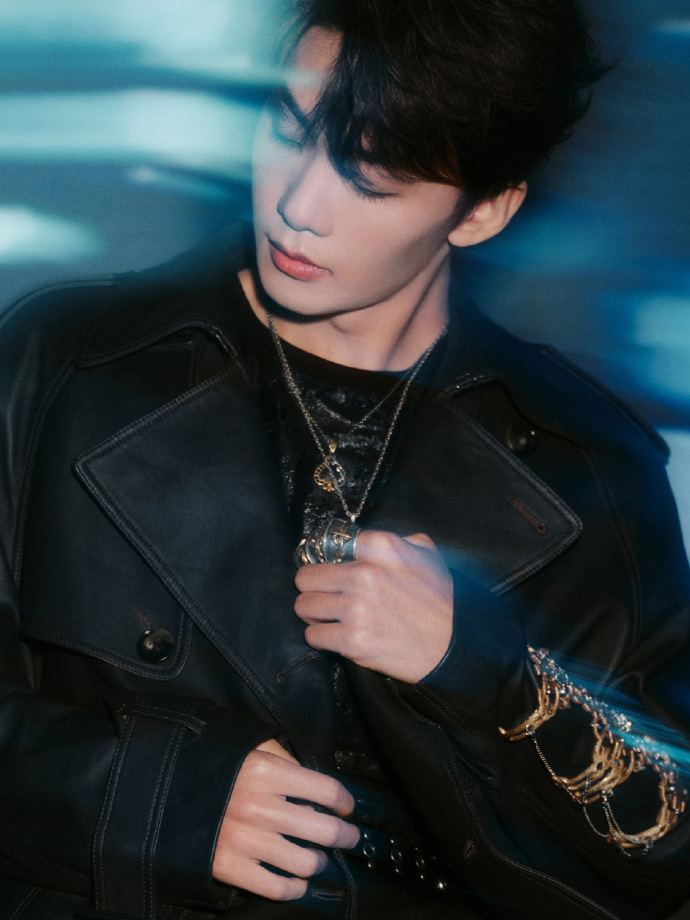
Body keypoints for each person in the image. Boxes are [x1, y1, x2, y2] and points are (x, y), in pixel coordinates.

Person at [1, 0, 689, 918]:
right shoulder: (66, 363)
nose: (298, 206)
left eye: (373, 180)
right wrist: (158, 801)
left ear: (484, 209)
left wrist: (488, 668)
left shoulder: (588, 465)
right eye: (287, 130)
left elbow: (670, 840)